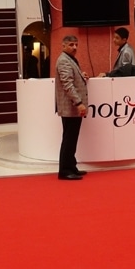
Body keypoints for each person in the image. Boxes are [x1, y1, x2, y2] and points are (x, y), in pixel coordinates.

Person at [54, 34, 89, 180]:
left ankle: (71, 167)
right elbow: (67, 84)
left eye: (76, 44)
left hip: (72, 107)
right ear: (63, 46)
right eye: (71, 45)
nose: (74, 47)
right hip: (70, 107)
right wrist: (79, 103)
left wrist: (81, 75)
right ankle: (65, 171)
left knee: (71, 139)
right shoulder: (64, 60)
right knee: (69, 140)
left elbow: (71, 78)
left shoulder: (69, 59)